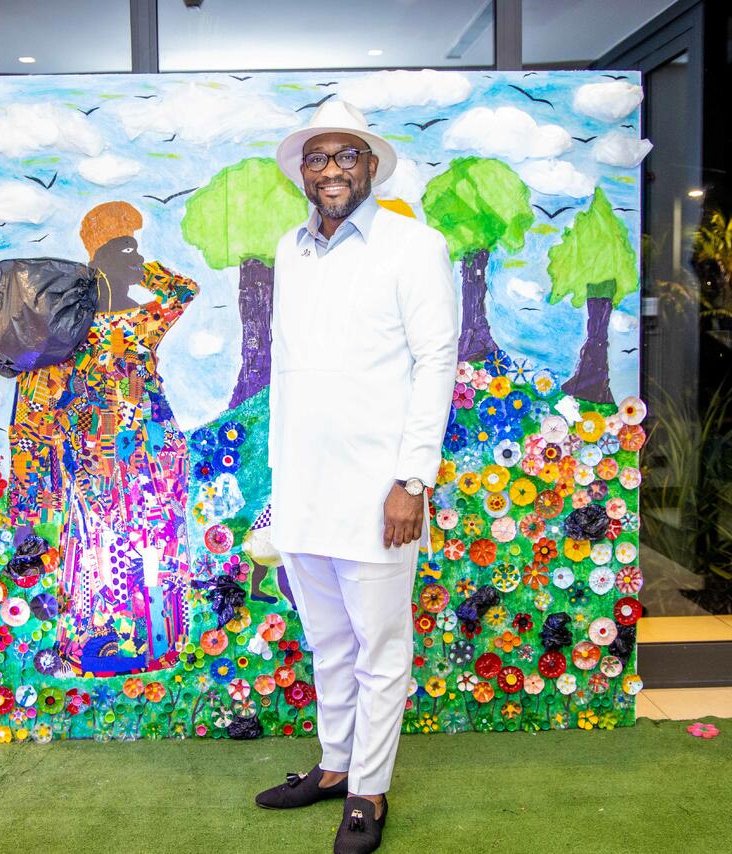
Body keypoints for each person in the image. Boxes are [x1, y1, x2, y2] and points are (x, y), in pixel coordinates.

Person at [254, 100, 459, 854]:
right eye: (318, 157)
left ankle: (369, 791)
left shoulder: (415, 246)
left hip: (381, 493)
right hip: (303, 489)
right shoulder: (290, 249)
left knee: (379, 648)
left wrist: (413, 480)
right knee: (328, 642)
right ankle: (335, 766)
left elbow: (437, 361)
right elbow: (286, 371)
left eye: (346, 156)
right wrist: (278, 482)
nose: (332, 170)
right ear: (302, 171)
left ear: (371, 166)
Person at [6, 201, 199, 677]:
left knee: (152, 546)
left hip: (151, 461)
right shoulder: (69, 330)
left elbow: (185, 289)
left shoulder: (140, 321)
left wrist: (133, 266)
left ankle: (155, 644)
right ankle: (99, 646)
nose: (138, 259)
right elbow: (36, 409)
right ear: (102, 256)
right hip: (97, 463)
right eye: (127, 249)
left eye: (138, 249)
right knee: (98, 549)